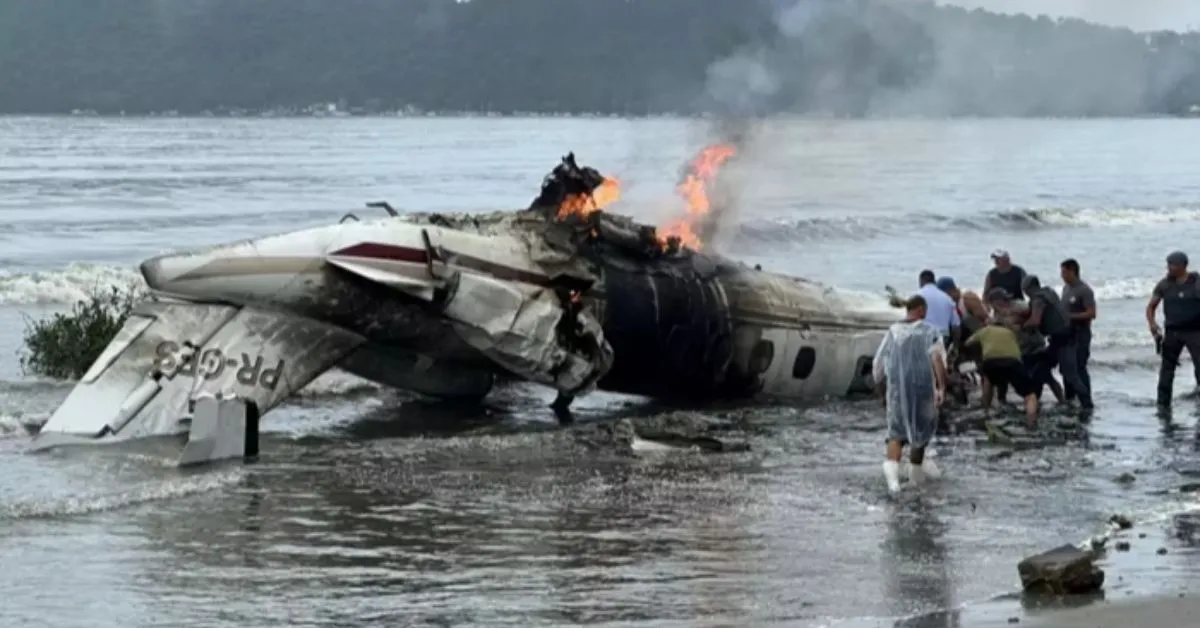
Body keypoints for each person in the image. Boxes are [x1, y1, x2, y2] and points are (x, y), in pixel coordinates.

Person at [873, 295, 948, 494]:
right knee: (920, 435)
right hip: (923, 391)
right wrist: (941, 388)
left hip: (897, 391)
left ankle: (893, 483)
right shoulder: (930, 331)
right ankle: (916, 481)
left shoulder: (893, 331)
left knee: (895, 435)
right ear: (921, 310)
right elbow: (937, 360)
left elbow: (877, 367)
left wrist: (882, 391)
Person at [1023, 274, 1093, 410]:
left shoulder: (1038, 299)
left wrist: (1023, 326)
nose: (1025, 294)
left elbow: (1035, 321)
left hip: (1064, 340)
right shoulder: (1049, 292)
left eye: (1025, 291)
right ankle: (1038, 402)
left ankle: (1087, 405)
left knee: (1071, 375)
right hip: (1061, 339)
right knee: (1041, 368)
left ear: (1029, 289)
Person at [1146, 251, 1200, 409]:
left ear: (1183, 266)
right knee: (1166, 370)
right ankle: (1162, 404)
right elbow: (1151, 307)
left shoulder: (1196, 283)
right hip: (1172, 332)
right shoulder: (1164, 284)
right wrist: (1152, 324)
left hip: (1195, 332)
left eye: (1173, 265)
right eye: (1168, 264)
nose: (1169, 268)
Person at [965, 319, 1039, 425]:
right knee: (1030, 395)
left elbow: (967, 343)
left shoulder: (985, 330)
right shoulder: (1010, 332)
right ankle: (1032, 423)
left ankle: (986, 413)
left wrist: (978, 350)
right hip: (1012, 362)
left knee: (988, 380)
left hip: (990, 362)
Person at [1059, 258, 1096, 403]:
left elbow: (1091, 313)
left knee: (1079, 367)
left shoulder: (1084, 290)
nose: (1062, 275)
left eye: (1064, 272)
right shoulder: (1066, 289)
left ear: (1072, 271)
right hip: (1067, 334)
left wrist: (1070, 317)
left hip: (1081, 333)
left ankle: (1086, 400)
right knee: (1067, 367)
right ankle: (1069, 397)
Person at [917, 270, 962, 348]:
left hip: (922, 338)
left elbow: (910, 321)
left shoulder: (916, 296)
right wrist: (955, 346)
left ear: (921, 281)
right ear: (934, 281)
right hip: (942, 339)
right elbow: (956, 326)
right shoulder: (947, 298)